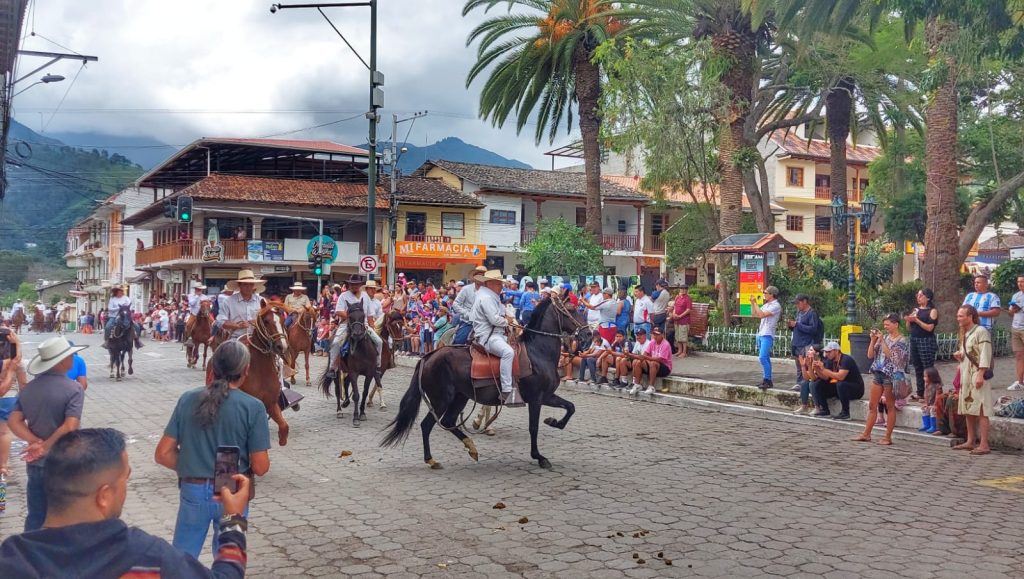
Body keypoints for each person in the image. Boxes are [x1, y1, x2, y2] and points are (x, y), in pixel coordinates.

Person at [0, 428, 252, 578]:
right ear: (104, 495)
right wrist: (232, 521)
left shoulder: (11, 559)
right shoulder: (149, 557)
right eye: (125, 477)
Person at [155, 341, 271, 558]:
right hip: (233, 493)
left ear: (212, 367)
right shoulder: (253, 407)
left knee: (182, 559)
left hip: (193, 491)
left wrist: (193, 463)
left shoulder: (188, 399)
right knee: (229, 557)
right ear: (246, 370)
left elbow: (162, 454)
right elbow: (261, 466)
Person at [6, 336, 87, 531]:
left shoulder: (28, 389)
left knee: (36, 513)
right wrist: (45, 446)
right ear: (60, 362)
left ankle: (32, 553)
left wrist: (36, 441)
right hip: (64, 458)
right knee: (67, 513)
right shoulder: (74, 389)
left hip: (36, 461)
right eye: (70, 356)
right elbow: (69, 426)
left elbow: (14, 421)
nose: (73, 359)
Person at [854, 313, 909, 446]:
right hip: (878, 373)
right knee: (872, 405)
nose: (885, 327)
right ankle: (866, 433)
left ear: (896, 324)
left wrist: (883, 341)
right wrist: (873, 340)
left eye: (888, 324)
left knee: (890, 407)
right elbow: (870, 355)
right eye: (884, 325)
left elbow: (892, 357)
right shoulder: (883, 337)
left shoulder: (902, 340)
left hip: (891, 375)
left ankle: (888, 437)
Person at [469, 269, 522, 406]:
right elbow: (494, 319)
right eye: (499, 284)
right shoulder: (486, 298)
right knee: (508, 352)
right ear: (491, 283)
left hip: (495, 334)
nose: (501, 286)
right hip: (489, 337)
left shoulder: (490, 296)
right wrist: (507, 321)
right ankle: (506, 390)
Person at [952, 304, 993, 455]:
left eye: (961, 316)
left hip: (977, 373)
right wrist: (959, 355)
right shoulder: (966, 332)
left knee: (982, 408)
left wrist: (981, 374)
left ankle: (984, 443)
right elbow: (967, 353)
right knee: (969, 408)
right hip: (966, 374)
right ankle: (970, 440)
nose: (959, 318)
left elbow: (985, 354)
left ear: (970, 316)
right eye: (958, 316)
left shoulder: (981, 331)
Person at [330, 275, 383, 366]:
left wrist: (372, 327)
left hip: (364, 325)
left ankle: (377, 364)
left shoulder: (365, 296)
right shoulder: (343, 296)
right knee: (335, 343)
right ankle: (332, 368)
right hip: (347, 324)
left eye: (356, 284)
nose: (354, 286)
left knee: (379, 341)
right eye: (352, 284)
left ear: (360, 285)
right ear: (349, 285)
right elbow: (338, 311)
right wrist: (353, 316)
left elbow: (370, 315)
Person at [809, 341, 865, 420]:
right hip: (838, 387)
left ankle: (845, 413)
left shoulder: (846, 359)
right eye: (826, 352)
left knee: (841, 384)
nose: (827, 354)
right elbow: (825, 377)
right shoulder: (829, 360)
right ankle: (825, 409)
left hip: (855, 389)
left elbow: (840, 377)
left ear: (836, 351)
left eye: (829, 352)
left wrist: (823, 369)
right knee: (817, 383)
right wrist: (817, 369)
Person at [0, 331, 27, 481]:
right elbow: (23, 383)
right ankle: (3, 465)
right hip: (9, 398)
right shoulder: (15, 362)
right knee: (4, 433)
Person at [906, 287, 939, 401]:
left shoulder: (932, 311)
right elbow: (909, 328)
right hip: (914, 339)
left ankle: (930, 394)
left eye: (921, 295)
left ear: (928, 297)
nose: (918, 298)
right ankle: (920, 392)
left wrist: (917, 320)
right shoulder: (916, 310)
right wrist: (909, 321)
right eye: (917, 295)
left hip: (926, 340)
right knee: (917, 366)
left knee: (927, 367)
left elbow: (930, 328)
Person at [787, 294, 823, 391]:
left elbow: (813, 329)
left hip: (807, 343)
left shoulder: (812, 313)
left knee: (808, 365)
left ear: (805, 301)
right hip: (797, 343)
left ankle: (809, 384)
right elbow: (798, 327)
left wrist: (797, 325)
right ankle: (800, 383)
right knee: (799, 365)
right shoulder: (799, 312)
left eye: (798, 303)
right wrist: (792, 325)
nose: (797, 305)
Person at [216, 271, 265, 340]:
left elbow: (268, 319)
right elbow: (220, 321)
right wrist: (237, 325)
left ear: (253, 285)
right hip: (235, 338)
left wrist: (256, 321)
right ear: (239, 285)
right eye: (245, 284)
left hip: (258, 339)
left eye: (251, 284)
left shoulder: (262, 301)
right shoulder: (228, 301)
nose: (248, 287)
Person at [749, 286, 782, 390]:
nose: (764, 294)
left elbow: (762, 315)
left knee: (762, 357)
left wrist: (755, 303)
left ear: (772, 294)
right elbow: (755, 314)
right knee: (765, 358)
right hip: (761, 333)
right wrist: (752, 303)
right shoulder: (766, 305)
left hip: (768, 334)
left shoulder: (776, 305)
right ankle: (766, 380)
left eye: (765, 292)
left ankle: (768, 379)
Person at [628, 327, 672, 395]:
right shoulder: (652, 342)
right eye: (654, 334)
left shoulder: (665, 344)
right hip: (653, 364)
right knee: (638, 362)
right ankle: (637, 385)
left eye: (657, 334)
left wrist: (646, 358)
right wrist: (630, 355)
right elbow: (645, 354)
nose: (655, 336)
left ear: (662, 335)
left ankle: (651, 387)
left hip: (665, 368)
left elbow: (660, 359)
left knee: (653, 363)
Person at [451, 265, 488, 344]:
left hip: (485, 323)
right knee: (459, 341)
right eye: (479, 275)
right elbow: (455, 304)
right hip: (468, 322)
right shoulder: (466, 289)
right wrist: (467, 313)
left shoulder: (488, 291)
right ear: (474, 277)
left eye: (483, 276)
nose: (480, 278)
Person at [101, 286, 143, 350]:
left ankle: (137, 340)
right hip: (114, 316)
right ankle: (106, 341)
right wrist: (119, 308)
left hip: (125, 316)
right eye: (119, 292)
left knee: (137, 326)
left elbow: (131, 305)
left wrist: (127, 309)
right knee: (108, 327)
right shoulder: (112, 299)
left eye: (121, 292)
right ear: (116, 292)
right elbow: (110, 309)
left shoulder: (126, 298)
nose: (120, 293)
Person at [1007, 276, 1024, 391]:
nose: (1020, 283)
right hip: (1016, 328)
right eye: (1018, 281)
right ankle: (1020, 382)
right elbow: (1010, 312)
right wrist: (1012, 310)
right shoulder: (1016, 295)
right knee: (1019, 356)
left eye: (1022, 281)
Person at [670, 285, 692, 359]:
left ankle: (684, 352)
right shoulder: (678, 297)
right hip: (676, 320)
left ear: (687, 290)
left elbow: (688, 310)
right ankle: (679, 351)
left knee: (683, 337)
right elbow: (675, 307)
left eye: (684, 289)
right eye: (681, 289)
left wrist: (680, 316)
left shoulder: (688, 298)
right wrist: (673, 314)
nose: (682, 290)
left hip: (684, 320)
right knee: (678, 336)